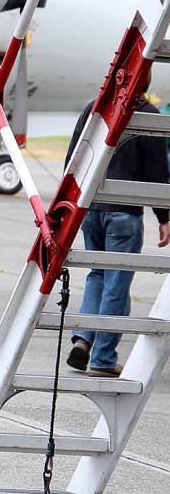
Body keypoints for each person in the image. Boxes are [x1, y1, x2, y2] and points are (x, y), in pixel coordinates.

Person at [66, 95, 170, 377]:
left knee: (97, 275)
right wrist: (164, 217)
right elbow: (157, 172)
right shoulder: (149, 113)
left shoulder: (95, 105)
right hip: (124, 213)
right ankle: (103, 359)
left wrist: (70, 205)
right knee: (116, 283)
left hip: (92, 208)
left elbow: (75, 155)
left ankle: (83, 340)